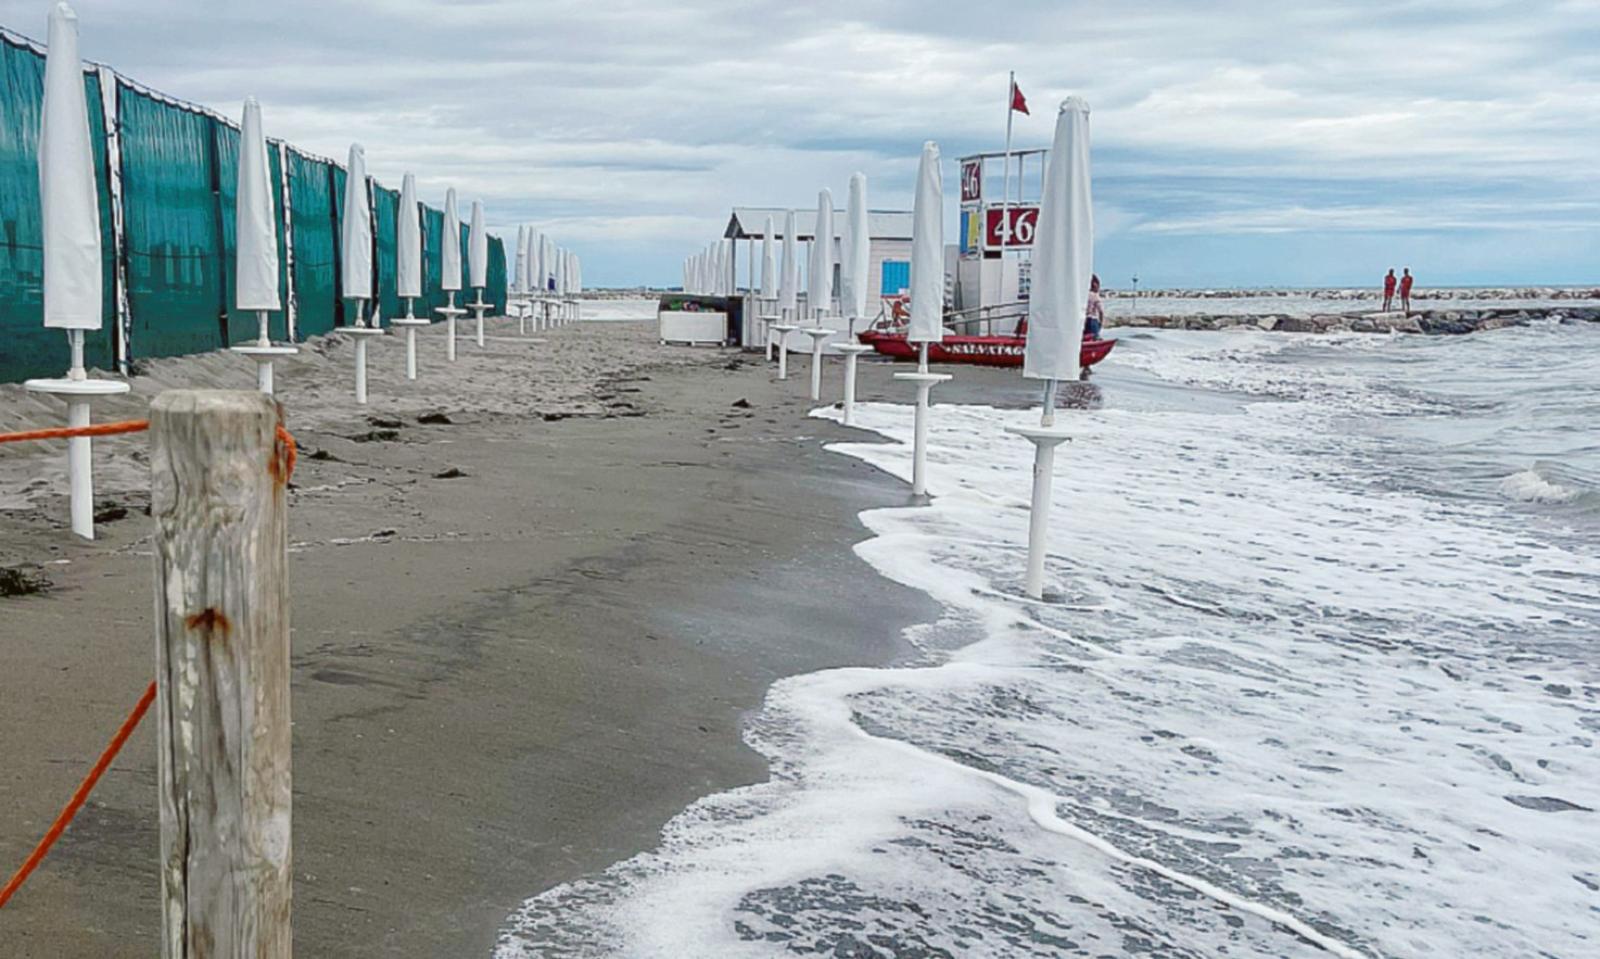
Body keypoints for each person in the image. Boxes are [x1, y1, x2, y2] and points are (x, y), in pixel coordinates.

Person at [1084, 274, 1104, 338]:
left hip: (1084, 320)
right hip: (1092, 320)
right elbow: (1101, 311)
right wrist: (1101, 323)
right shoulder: (1095, 295)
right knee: (1094, 338)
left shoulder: (1084, 295)